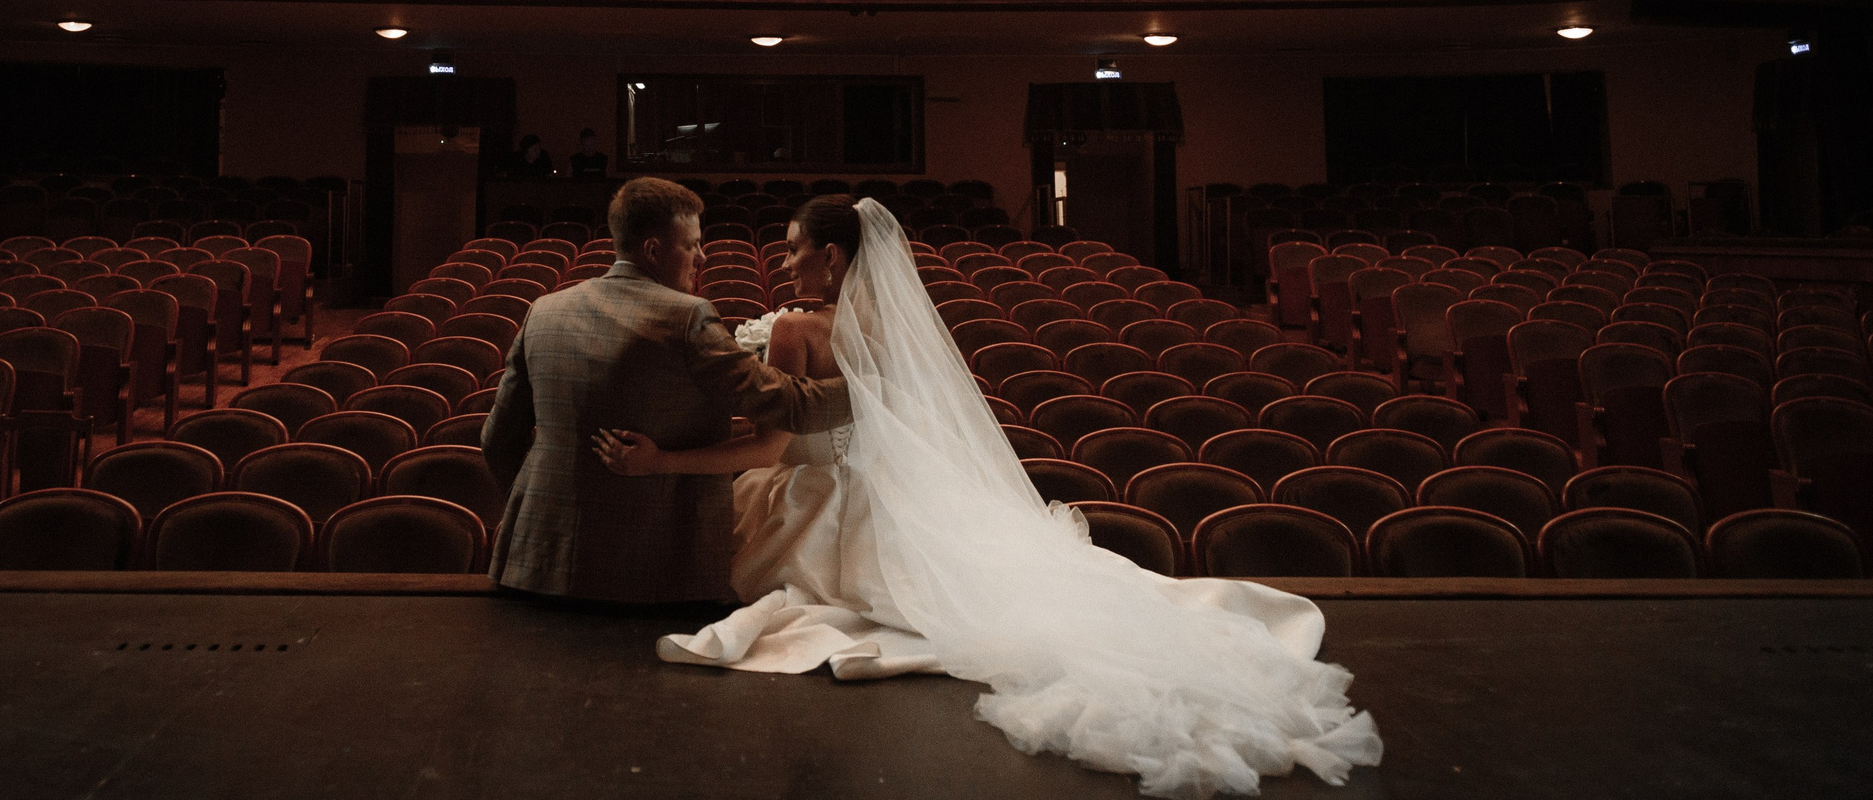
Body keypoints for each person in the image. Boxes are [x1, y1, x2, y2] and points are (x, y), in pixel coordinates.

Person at [594, 195, 1381, 797]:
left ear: (831, 256)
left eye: (796, 250)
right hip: (886, 489)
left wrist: (665, 459)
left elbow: (772, 446)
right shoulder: (891, 324)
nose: (785, 260)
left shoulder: (801, 329)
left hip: (813, 488)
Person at [481, 176, 851, 604]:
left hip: (535, 559)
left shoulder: (543, 311)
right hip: (653, 566)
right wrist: (876, 385)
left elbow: (496, 440)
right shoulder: (686, 317)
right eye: (691, 244)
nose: (702, 256)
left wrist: (538, 507)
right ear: (654, 250)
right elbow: (787, 404)